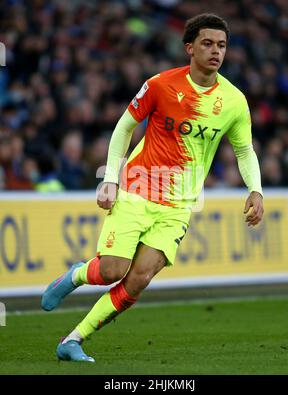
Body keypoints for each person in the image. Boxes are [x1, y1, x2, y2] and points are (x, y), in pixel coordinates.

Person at [41, 13, 264, 362]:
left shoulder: (234, 101)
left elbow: (244, 150)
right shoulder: (160, 85)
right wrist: (110, 179)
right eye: (207, 43)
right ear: (189, 47)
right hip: (137, 188)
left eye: (221, 45)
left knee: (139, 279)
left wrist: (256, 189)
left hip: (179, 205)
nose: (215, 51)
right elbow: (123, 128)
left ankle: (73, 340)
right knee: (113, 270)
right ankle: (77, 274)